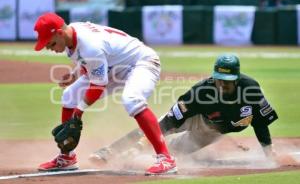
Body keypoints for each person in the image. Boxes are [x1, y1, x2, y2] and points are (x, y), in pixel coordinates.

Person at [34, 12, 177, 175]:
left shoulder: (89, 45)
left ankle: (166, 159)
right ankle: (67, 157)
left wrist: (78, 113)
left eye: (51, 44)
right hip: (115, 67)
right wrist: (75, 75)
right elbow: (88, 61)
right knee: (70, 95)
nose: (49, 48)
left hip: (141, 62)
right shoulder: (71, 35)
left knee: (132, 100)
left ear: (60, 33)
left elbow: (97, 85)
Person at [90, 53, 281, 164]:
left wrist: (268, 152)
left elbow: (260, 122)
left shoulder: (251, 89)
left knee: (177, 152)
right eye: (219, 80)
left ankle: (137, 160)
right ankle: (108, 152)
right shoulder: (201, 92)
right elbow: (170, 121)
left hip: (213, 131)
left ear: (237, 79)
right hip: (197, 117)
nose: (222, 85)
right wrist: (145, 141)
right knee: (150, 129)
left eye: (227, 82)